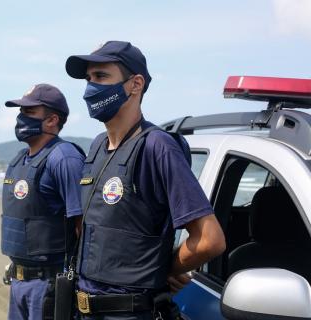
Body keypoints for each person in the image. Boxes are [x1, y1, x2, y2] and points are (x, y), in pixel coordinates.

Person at [64, 41, 226, 319]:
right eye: (89, 79)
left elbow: (210, 239)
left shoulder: (157, 146)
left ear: (135, 84)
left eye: (101, 77)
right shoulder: (97, 146)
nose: (91, 88)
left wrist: (164, 267)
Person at [1, 83, 85, 320]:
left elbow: (85, 227)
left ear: (51, 120)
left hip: (49, 285)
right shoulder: (19, 159)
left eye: (29, 113)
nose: (20, 118)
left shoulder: (64, 158)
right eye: (20, 112)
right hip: (19, 282)